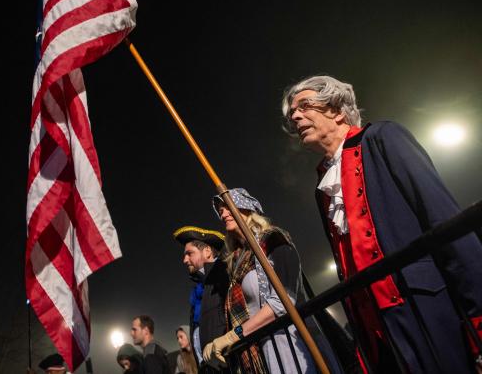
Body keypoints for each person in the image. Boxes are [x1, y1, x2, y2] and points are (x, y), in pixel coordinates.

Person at [282, 75, 482, 373]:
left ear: (337, 110)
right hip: (373, 326)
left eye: (305, 105)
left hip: (423, 306)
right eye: (292, 114)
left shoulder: (383, 138)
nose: (295, 116)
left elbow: (443, 219)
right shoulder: (321, 185)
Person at [203, 188, 342, 373]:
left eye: (228, 206)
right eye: (220, 210)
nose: (223, 213)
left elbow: (284, 301)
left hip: (290, 342)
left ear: (245, 207)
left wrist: (234, 335)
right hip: (261, 347)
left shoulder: (274, 239)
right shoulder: (237, 260)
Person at [172, 225, 230, 373]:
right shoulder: (199, 287)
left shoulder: (224, 273)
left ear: (207, 251)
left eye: (189, 253)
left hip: (226, 364)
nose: (185, 260)